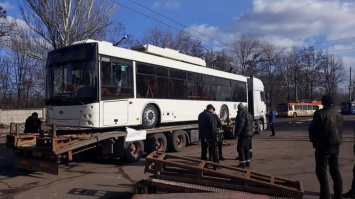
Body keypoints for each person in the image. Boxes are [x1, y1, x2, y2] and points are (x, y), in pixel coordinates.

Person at [309, 94, 343, 199]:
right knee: (335, 171)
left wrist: (314, 141)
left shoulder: (319, 114)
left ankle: (325, 196)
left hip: (322, 147)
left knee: (321, 172)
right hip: (336, 146)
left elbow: (312, 130)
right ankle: (338, 196)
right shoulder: (339, 116)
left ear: (323, 103)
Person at [234, 103, 254, 169]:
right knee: (246, 148)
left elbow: (240, 125)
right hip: (250, 134)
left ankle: (242, 163)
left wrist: (236, 134)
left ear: (239, 108)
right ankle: (247, 162)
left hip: (244, 134)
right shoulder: (249, 114)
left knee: (240, 148)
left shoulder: (241, 114)